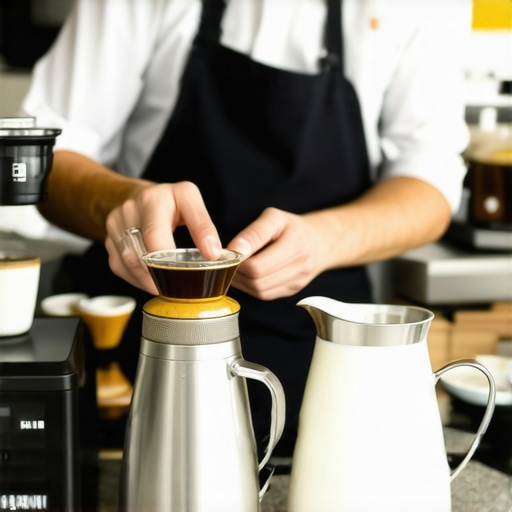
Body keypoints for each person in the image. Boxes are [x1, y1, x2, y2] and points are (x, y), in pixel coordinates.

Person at [22, 0, 472, 456]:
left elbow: (430, 186)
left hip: (322, 367)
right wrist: (117, 203)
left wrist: (321, 241)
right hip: (139, 358)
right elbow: (41, 160)